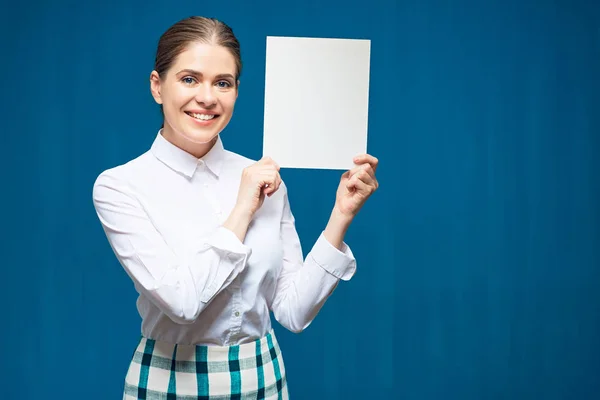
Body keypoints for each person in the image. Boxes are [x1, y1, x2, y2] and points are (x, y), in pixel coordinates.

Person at [92, 15, 379, 400]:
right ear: (158, 86)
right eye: (189, 79)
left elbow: (292, 313)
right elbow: (183, 303)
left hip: (263, 377)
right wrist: (243, 207)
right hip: (170, 382)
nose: (207, 98)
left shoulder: (266, 179)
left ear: (236, 91)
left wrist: (341, 215)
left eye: (222, 83)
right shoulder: (121, 186)